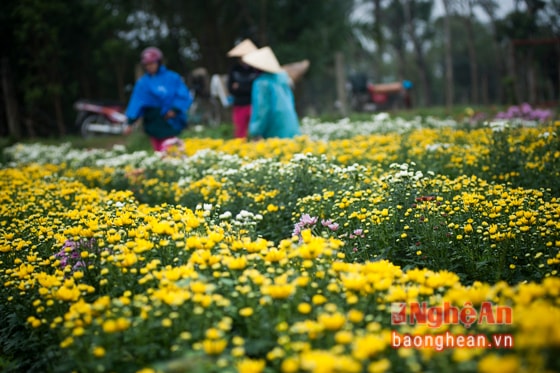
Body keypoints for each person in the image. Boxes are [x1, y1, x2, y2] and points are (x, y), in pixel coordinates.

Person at [124, 47, 193, 151]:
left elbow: (183, 95)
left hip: (169, 120)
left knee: (171, 149)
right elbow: (136, 102)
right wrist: (130, 122)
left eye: (152, 63)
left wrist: (175, 109)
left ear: (159, 62)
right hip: (152, 121)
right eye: (147, 65)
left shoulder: (172, 77)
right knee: (159, 151)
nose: (149, 67)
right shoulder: (142, 83)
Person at [241, 46, 301, 140]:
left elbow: (261, 109)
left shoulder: (261, 83)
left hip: (274, 126)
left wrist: (256, 131)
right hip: (290, 123)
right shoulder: (283, 78)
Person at [226, 39, 259, 138]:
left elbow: (256, 89)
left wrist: (240, 87)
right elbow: (231, 89)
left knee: (255, 132)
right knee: (239, 131)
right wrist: (247, 87)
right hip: (239, 104)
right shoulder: (234, 69)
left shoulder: (256, 69)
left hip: (254, 103)